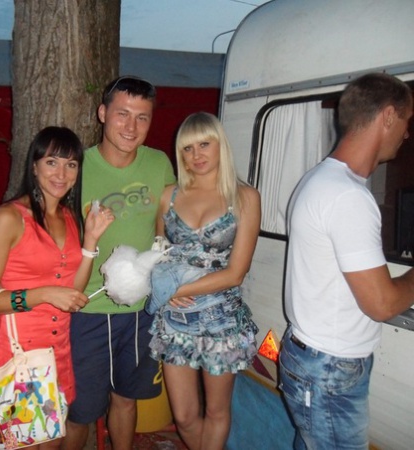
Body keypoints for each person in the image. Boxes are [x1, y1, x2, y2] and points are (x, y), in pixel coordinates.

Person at [279, 72, 414, 450]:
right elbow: (381, 304)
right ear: (388, 116)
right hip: (329, 369)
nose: (407, 133)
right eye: (407, 121)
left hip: (314, 359)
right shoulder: (347, 196)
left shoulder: (319, 178)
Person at [0, 126, 114, 450]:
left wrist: (91, 241)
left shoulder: (69, 217)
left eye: (71, 164)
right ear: (34, 166)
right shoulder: (9, 217)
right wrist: (43, 294)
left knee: (51, 442)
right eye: (52, 162)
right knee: (20, 444)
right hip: (15, 355)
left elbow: (73, 294)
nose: (61, 174)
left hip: (58, 354)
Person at [62, 76, 176, 450]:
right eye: (122, 114)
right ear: (102, 113)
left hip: (141, 310)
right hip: (87, 309)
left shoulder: (158, 163)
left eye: (142, 117)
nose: (131, 126)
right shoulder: (78, 168)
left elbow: (170, 225)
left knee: (126, 400)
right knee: (80, 412)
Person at [146, 112, 261, 450]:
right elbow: (158, 254)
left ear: (220, 145)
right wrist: (161, 284)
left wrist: (175, 290)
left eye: (204, 145)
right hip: (175, 320)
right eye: (187, 148)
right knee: (183, 416)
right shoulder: (169, 195)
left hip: (220, 319)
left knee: (216, 410)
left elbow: (236, 273)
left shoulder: (244, 197)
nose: (196, 155)